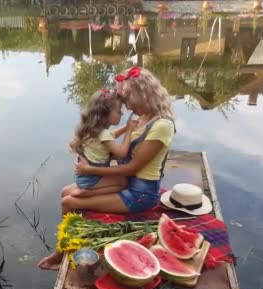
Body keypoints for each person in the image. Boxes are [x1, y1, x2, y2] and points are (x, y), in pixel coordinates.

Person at [38, 66, 175, 270]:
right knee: (65, 191)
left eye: (128, 100)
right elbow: (114, 144)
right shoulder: (145, 117)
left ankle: (60, 253)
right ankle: (68, 243)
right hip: (125, 183)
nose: (127, 107)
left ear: (141, 95)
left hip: (140, 194)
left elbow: (131, 168)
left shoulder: (162, 126)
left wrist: (91, 171)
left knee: (68, 202)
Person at [70, 89, 135, 198]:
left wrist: (125, 127)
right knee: (123, 182)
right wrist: (129, 131)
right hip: (91, 180)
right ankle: (89, 193)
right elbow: (121, 153)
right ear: (105, 114)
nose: (122, 113)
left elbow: (111, 135)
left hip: (84, 178)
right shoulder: (104, 134)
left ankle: (87, 190)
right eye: (119, 111)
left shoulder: (94, 129)